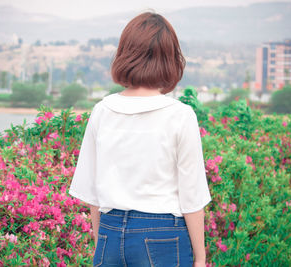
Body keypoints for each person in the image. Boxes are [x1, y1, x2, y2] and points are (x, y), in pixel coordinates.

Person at [69, 11, 212, 267]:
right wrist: (200, 259)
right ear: (171, 59)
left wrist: (102, 241)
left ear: (125, 54)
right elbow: (192, 197)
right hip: (163, 235)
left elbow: (91, 192)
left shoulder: (102, 110)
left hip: (109, 233)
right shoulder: (180, 115)